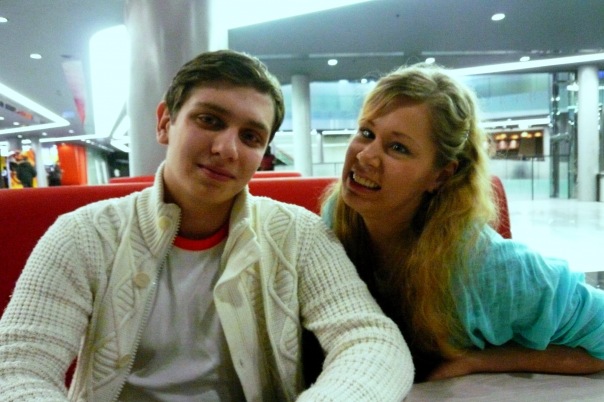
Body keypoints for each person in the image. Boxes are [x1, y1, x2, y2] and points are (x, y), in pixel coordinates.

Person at [0, 50, 413, 401]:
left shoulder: (298, 233)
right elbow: (16, 368)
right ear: (165, 122)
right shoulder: (83, 234)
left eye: (250, 137)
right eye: (210, 120)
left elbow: (371, 340)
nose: (226, 149)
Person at [321, 62, 604, 382]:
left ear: (440, 175)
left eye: (398, 147)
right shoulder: (336, 218)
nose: (365, 156)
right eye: (366, 133)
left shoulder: (485, 266)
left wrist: (477, 361)